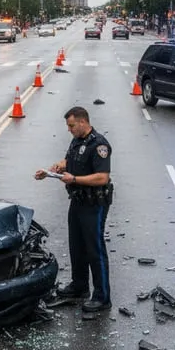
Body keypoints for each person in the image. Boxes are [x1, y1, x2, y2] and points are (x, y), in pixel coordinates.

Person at [35, 106, 113, 313]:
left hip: (94, 204)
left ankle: (102, 296)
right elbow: (71, 159)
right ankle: (79, 286)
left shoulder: (99, 145)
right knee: (76, 245)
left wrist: (75, 179)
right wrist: (57, 168)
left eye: (71, 125)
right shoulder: (78, 140)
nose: (69, 129)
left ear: (82, 122)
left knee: (94, 249)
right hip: (77, 200)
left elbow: (102, 177)